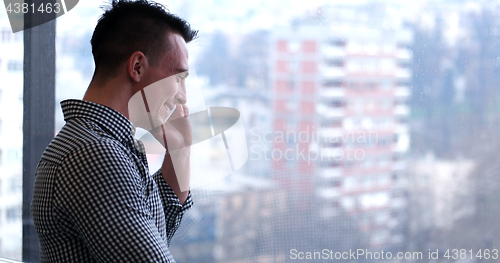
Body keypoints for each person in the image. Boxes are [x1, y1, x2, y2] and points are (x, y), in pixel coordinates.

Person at [31, 0, 198, 262]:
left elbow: (154, 233)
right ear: (137, 67)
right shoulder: (96, 155)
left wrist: (180, 151)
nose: (182, 98)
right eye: (178, 78)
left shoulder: (104, 146)